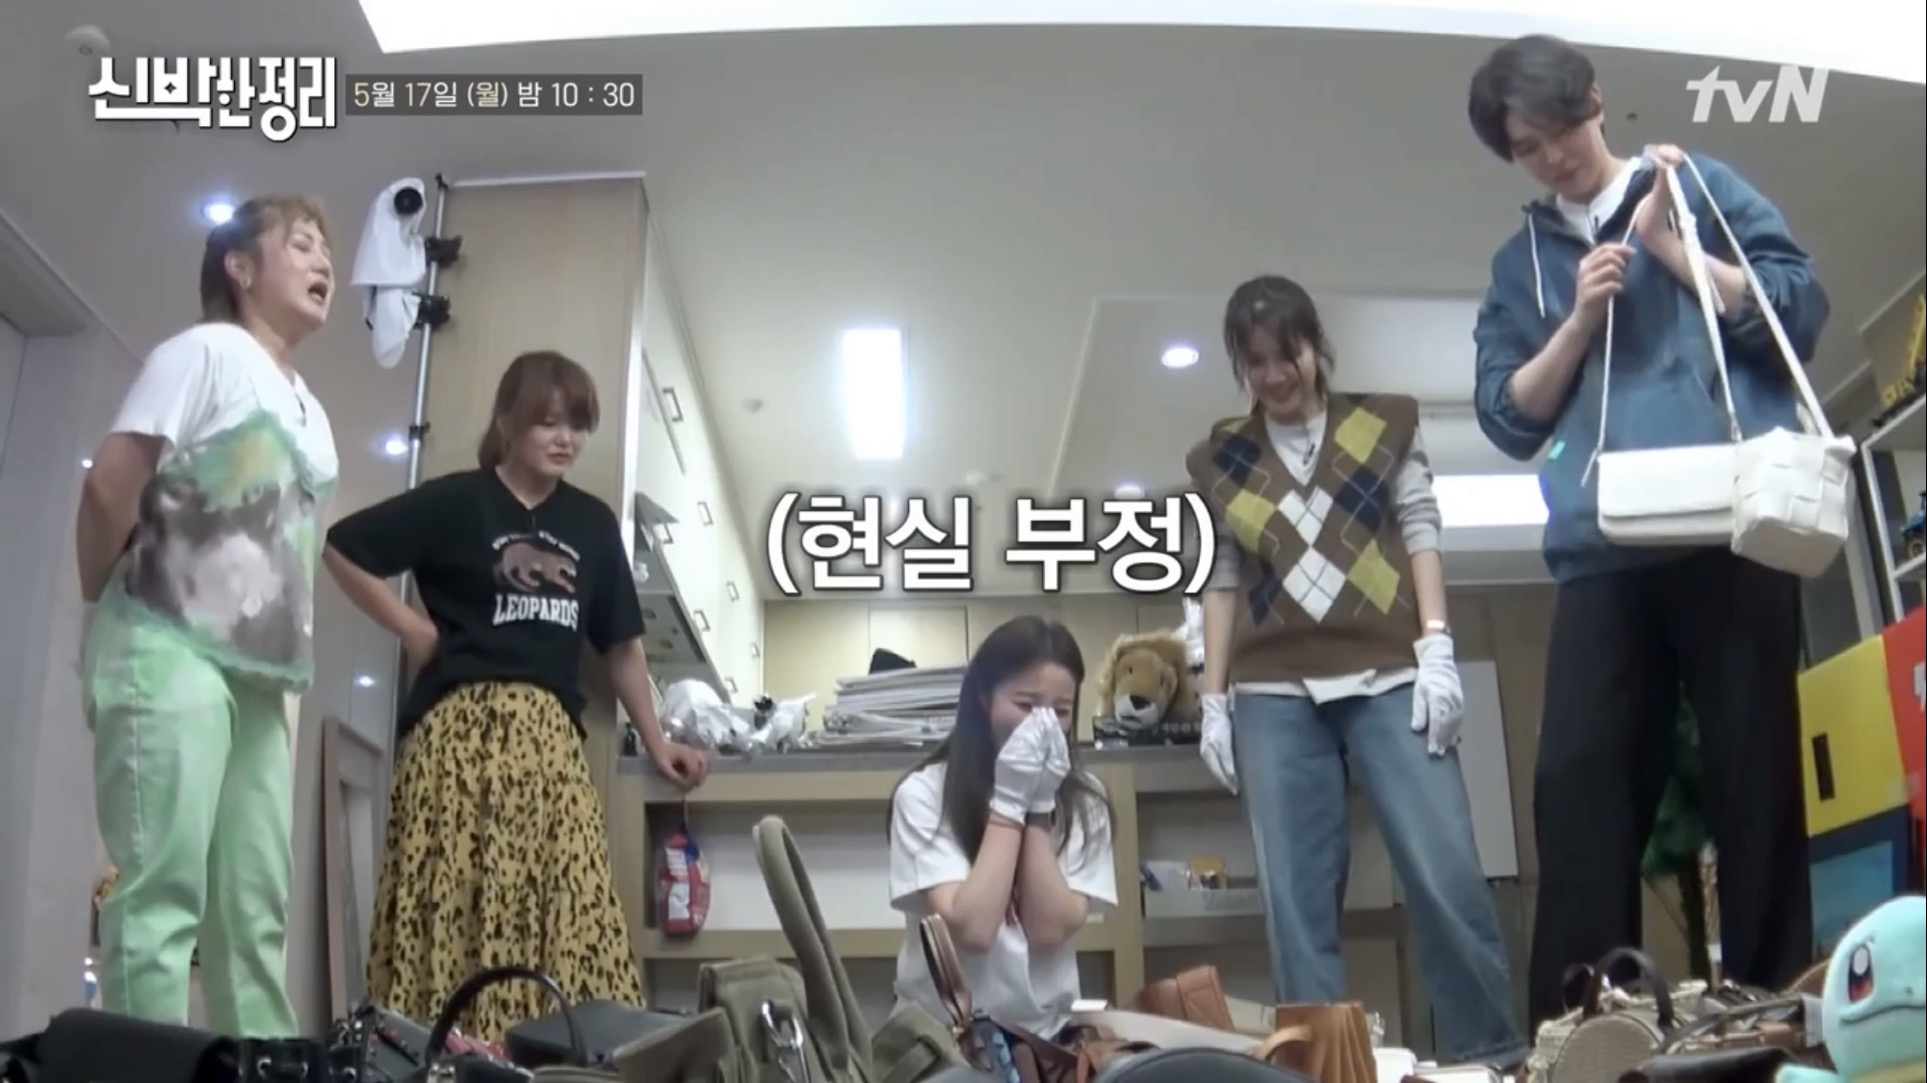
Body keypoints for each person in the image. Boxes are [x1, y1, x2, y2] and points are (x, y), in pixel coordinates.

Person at [1466, 35, 1826, 1026]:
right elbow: (1505, 415)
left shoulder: (1696, 183)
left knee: (1756, 778)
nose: (1550, 158)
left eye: (1557, 130)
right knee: (1576, 786)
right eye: (1524, 148)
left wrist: (1674, 251)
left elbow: (1799, 308)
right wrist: (1579, 320)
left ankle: (1770, 1010)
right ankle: (1583, 1030)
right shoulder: (1519, 262)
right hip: (1602, 548)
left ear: (1594, 100)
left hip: (1734, 526)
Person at [323, 349, 710, 1040]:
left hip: (549, 749)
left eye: (578, 425)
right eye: (547, 422)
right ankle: (445, 1060)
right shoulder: (454, 501)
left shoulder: (591, 523)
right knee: (452, 907)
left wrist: (658, 742)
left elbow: (620, 645)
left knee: (573, 913)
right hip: (454, 741)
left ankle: (553, 1062)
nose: (566, 439)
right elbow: (342, 547)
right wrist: (414, 630)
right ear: (506, 421)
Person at [1187, 275, 1524, 1067]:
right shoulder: (1221, 457)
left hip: (1389, 672)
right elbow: (1220, 579)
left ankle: (1492, 1056)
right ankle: (1321, 1070)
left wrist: (1435, 646)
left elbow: (1420, 527)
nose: (1275, 374)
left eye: (1287, 354)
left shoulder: (1384, 422)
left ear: (1315, 346)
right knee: (1295, 901)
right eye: (1255, 362)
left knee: (1443, 870)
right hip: (1271, 692)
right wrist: (1212, 699)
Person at [75, 195, 340, 1035]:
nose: (323, 262)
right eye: (302, 244)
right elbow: (109, 485)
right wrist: (100, 603)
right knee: (162, 892)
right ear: (239, 265)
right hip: (166, 643)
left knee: (254, 910)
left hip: (261, 679)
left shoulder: (313, 412)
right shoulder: (204, 352)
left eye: (327, 251)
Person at [888, 616, 1116, 1039]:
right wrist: (1010, 802)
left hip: (1048, 1037)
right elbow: (973, 928)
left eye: (1060, 711)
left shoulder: (1086, 801)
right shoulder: (922, 795)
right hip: (944, 1038)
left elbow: (1049, 929)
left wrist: (1039, 806)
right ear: (984, 698)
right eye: (1026, 706)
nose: (1044, 725)